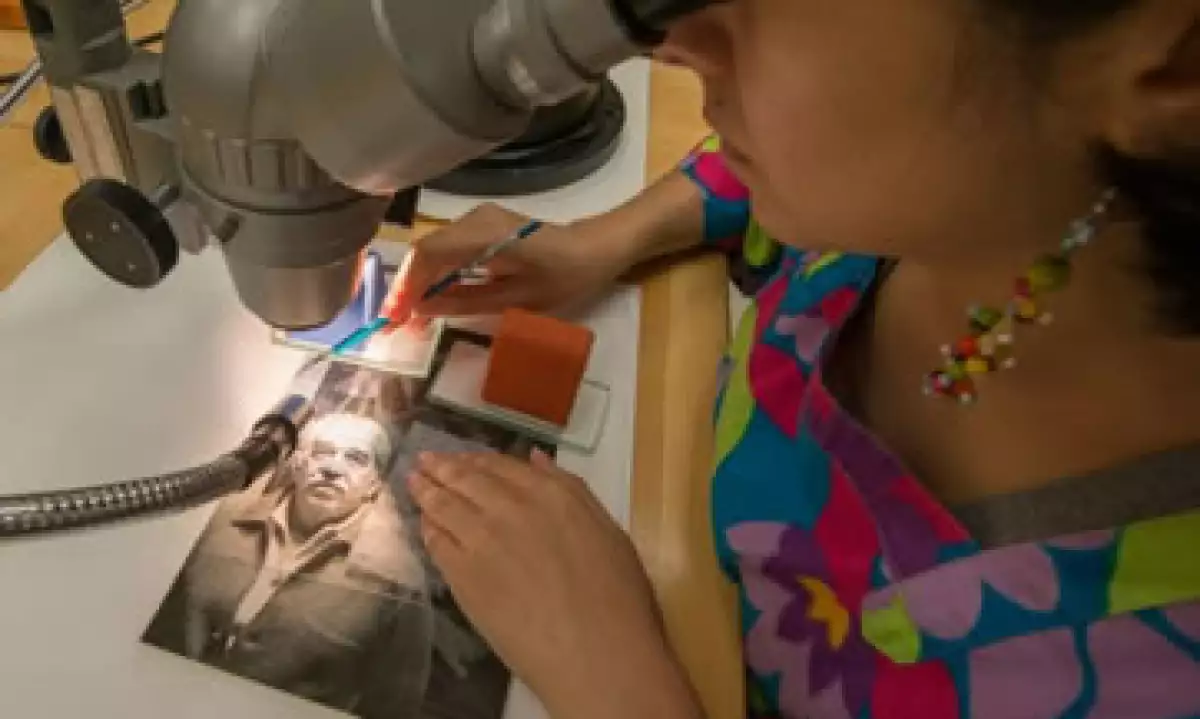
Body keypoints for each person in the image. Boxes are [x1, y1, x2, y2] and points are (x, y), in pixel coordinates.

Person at [393, 1, 1200, 718]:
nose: (671, 42)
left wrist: (620, 689)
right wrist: (605, 239)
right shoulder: (913, 211)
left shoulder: (1137, 667)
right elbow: (779, 161)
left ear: (1173, 57)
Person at [145, 411, 502, 719]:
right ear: (297, 464)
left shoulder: (397, 581)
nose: (332, 469)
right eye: (322, 453)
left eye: (355, 459)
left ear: (374, 484)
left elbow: (394, 704)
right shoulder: (222, 516)